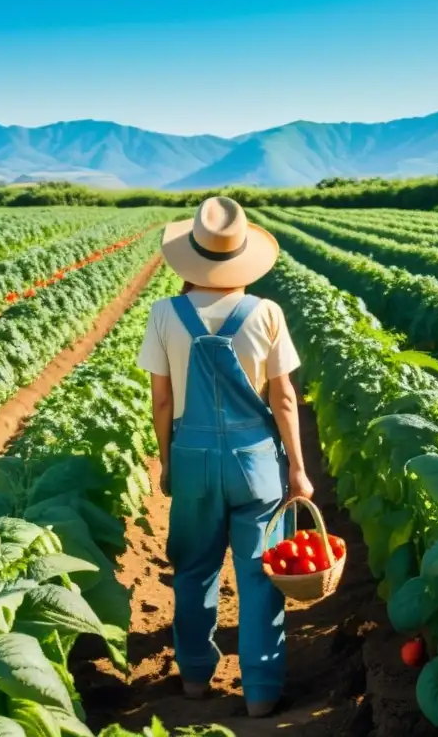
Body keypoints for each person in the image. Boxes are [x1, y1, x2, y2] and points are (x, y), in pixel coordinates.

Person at [137, 195, 314, 718]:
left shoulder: (164, 313)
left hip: (192, 457)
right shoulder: (266, 313)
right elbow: (283, 399)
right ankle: (260, 692)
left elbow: (163, 400)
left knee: (192, 569)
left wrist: (169, 462)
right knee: (260, 573)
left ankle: (195, 678)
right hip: (255, 461)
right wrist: (299, 469)